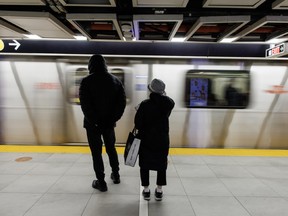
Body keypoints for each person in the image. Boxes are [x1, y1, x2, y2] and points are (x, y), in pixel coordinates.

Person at [79, 54, 126, 192]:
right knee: (111, 148)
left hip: (92, 125)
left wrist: (95, 121)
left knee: (96, 153)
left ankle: (101, 182)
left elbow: (85, 105)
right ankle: (116, 175)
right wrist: (112, 119)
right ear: (105, 65)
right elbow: (121, 103)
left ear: (90, 66)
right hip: (109, 124)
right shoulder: (115, 81)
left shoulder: (86, 81)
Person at [134, 78, 175, 201]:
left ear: (150, 90)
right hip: (162, 139)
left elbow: (138, 123)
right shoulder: (169, 103)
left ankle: (146, 191)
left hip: (146, 139)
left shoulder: (144, 104)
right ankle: (159, 190)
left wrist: (139, 110)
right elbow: (166, 103)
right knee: (161, 164)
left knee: (144, 164)